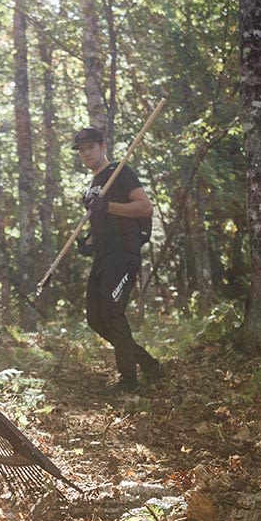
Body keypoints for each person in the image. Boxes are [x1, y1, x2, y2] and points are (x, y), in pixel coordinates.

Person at [72, 126, 161, 394]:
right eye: (82, 150)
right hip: (104, 256)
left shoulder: (120, 172)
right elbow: (103, 225)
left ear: (103, 146)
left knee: (112, 312)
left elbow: (145, 207)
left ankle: (129, 382)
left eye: (90, 147)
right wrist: (88, 243)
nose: (86, 154)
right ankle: (149, 364)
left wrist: (107, 206)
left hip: (123, 255)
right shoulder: (93, 185)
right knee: (96, 319)